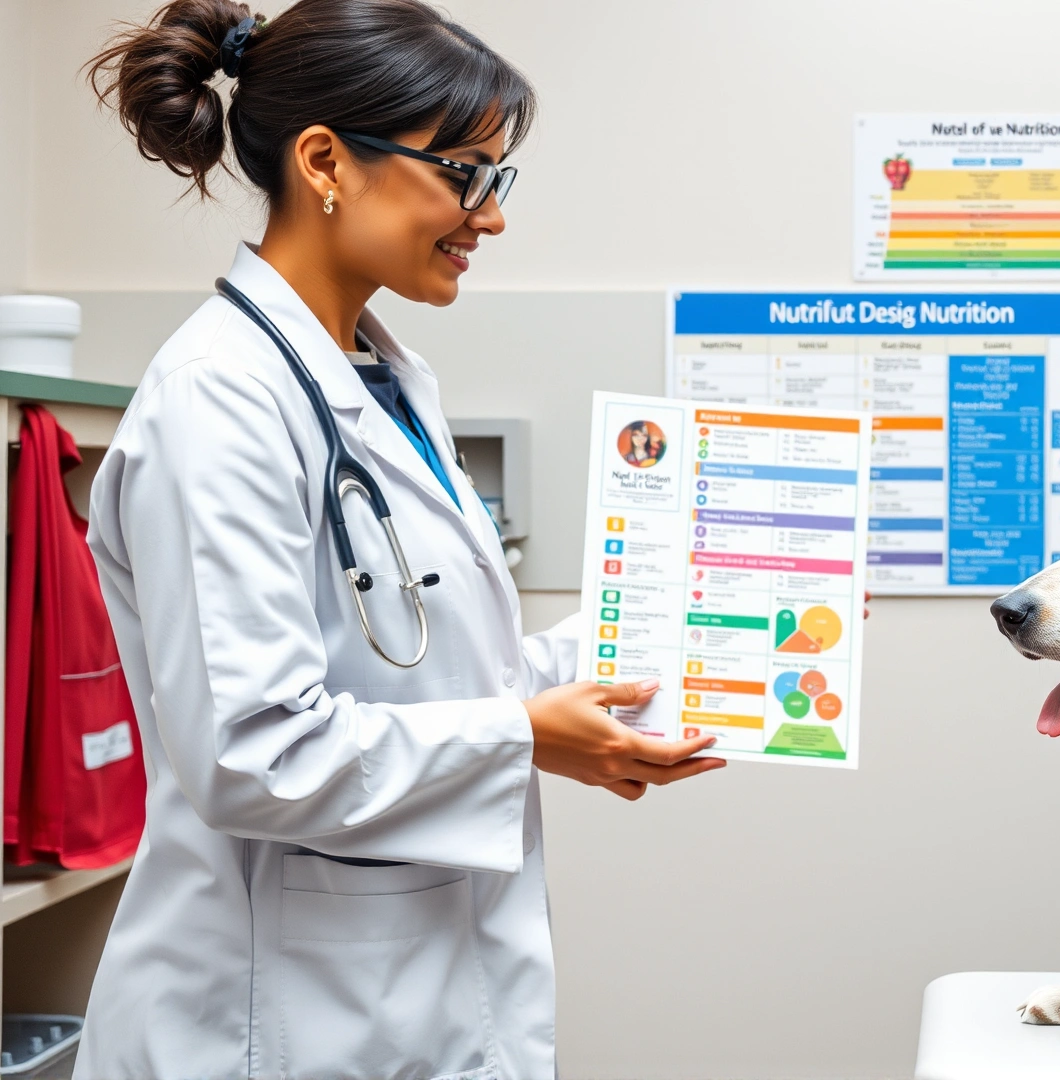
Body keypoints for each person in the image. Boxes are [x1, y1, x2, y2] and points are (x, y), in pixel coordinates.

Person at [75, 2, 725, 1076]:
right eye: (463, 174)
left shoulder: (377, 381)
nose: (490, 216)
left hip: (395, 992)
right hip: (270, 1020)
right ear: (326, 160)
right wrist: (528, 737)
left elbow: (458, 673)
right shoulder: (218, 403)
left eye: (495, 179)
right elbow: (253, 753)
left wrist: (717, 621)